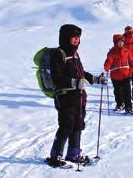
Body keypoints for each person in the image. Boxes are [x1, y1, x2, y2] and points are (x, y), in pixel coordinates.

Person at [46, 24, 107, 167]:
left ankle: (74, 153)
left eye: (78, 37)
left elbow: (81, 73)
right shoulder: (59, 54)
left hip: (78, 96)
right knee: (66, 125)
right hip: (65, 96)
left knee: (78, 125)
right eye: (74, 37)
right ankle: (55, 156)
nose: (77, 40)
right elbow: (56, 77)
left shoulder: (75, 54)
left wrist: (95, 79)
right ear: (66, 38)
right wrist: (75, 82)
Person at [104, 34, 133, 115]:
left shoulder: (126, 51)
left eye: (122, 42)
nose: (121, 43)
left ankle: (128, 108)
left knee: (127, 91)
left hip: (126, 75)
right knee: (117, 92)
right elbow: (108, 61)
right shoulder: (111, 52)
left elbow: (132, 61)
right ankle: (120, 104)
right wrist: (107, 66)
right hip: (115, 76)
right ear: (115, 42)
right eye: (119, 42)